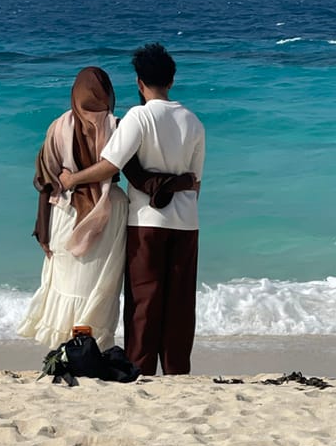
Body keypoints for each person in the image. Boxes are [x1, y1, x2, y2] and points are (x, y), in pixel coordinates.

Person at [18, 66, 193, 352]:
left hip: (64, 213)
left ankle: (65, 349)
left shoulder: (57, 128)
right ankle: (91, 349)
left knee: (67, 283)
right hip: (109, 211)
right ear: (109, 94)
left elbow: (46, 183)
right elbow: (139, 178)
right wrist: (182, 181)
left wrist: (42, 230)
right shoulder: (118, 126)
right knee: (100, 287)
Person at [60, 44, 205, 375]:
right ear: (171, 80)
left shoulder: (140, 116)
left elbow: (110, 166)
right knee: (181, 304)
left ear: (140, 83)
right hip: (187, 223)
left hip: (147, 222)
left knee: (144, 301)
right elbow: (196, 183)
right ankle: (177, 371)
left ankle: (140, 368)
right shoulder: (194, 121)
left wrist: (72, 180)